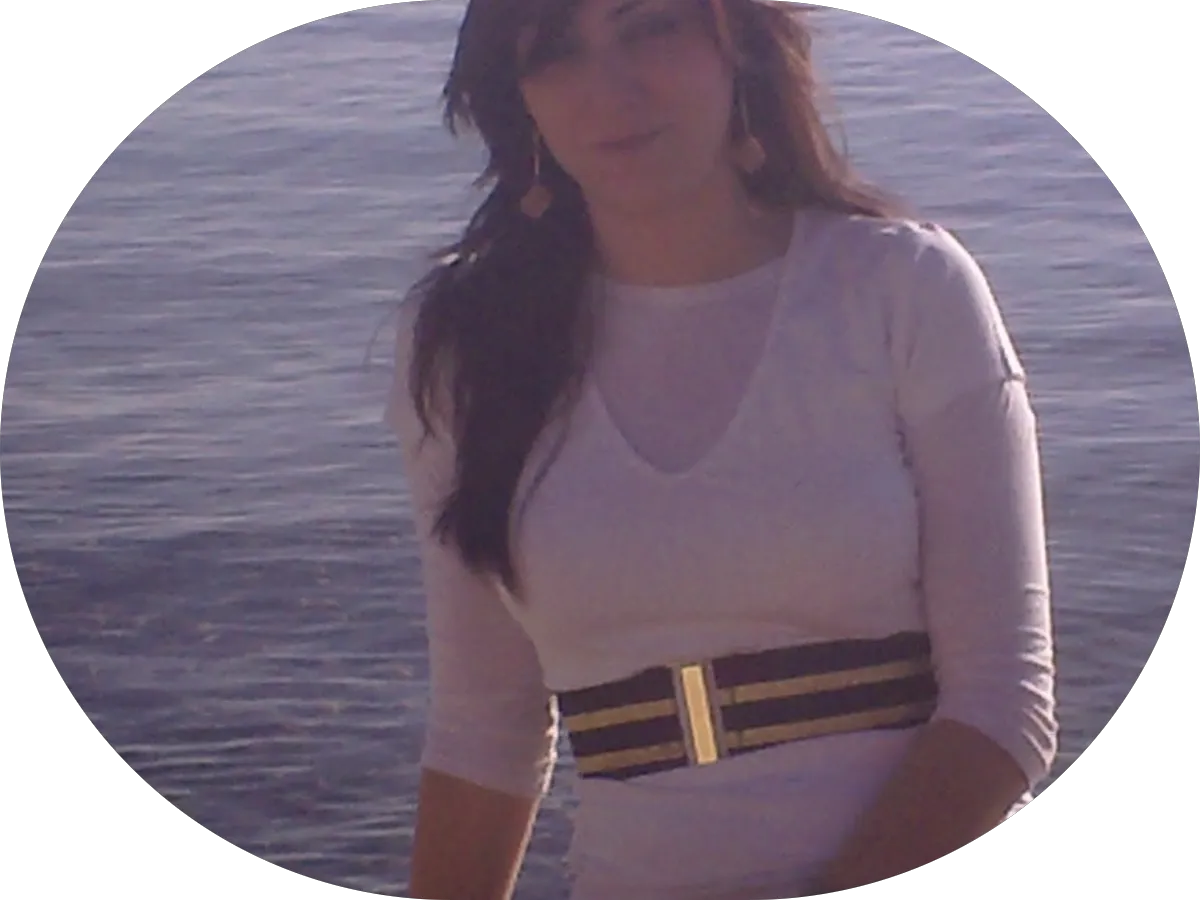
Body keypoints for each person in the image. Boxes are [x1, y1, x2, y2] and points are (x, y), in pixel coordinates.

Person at [383, 1, 1058, 898]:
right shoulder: (467, 350)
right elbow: (484, 733)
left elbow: (1004, 710)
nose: (610, 89)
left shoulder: (902, 286)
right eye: (556, 53)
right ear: (519, 97)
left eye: (650, 29)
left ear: (736, 40)